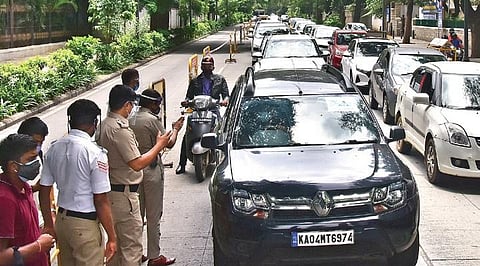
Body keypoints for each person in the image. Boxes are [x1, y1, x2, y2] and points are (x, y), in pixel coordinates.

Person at [97, 84, 172, 266]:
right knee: (131, 249)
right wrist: (159, 145)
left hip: (110, 193)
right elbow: (137, 163)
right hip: (124, 195)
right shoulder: (120, 129)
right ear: (127, 105)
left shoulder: (103, 125)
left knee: (116, 248)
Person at [38, 99, 117, 266]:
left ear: (70, 122)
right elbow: (101, 200)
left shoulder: (54, 148)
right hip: (85, 225)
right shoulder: (95, 153)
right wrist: (112, 237)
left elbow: (44, 191)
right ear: (94, 123)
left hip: (62, 221)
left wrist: (49, 225)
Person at [129, 89, 183, 265]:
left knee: (137, 215)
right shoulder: (152, 120)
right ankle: (154, 255)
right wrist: (175, 129)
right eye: (157, 104)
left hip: (134, 169)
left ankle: (136, 253)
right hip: (151, 170)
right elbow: (169, 143)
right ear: (152, 104)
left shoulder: (130, 118)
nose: (158, 107)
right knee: (153, 215)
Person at [0, 133, 55, 266]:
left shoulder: (24, 187)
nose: (36, 163)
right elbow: (1, 257)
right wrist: (39, 245)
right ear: (13, 166)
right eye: (31, 159)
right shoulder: (5, 199)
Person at [175, 55, 229, 174]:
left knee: (221, 133)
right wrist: (186, 101)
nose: (207, 67)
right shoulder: (195, 81)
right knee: (186, 136)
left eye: (209, 65)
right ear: (201, 66)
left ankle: (224, 162)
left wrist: (225, 100)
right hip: (198, 111)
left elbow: (226, 94)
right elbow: (188, 96)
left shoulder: (220, 79)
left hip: (213, 111)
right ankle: (182, 164)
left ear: (213, 66)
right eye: (204, 65)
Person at [17, 116, 49, 192]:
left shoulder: (39, 155)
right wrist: (34, 188)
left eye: (41, 142)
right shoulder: (9, 158)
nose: (37, 148)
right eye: (34, 142)